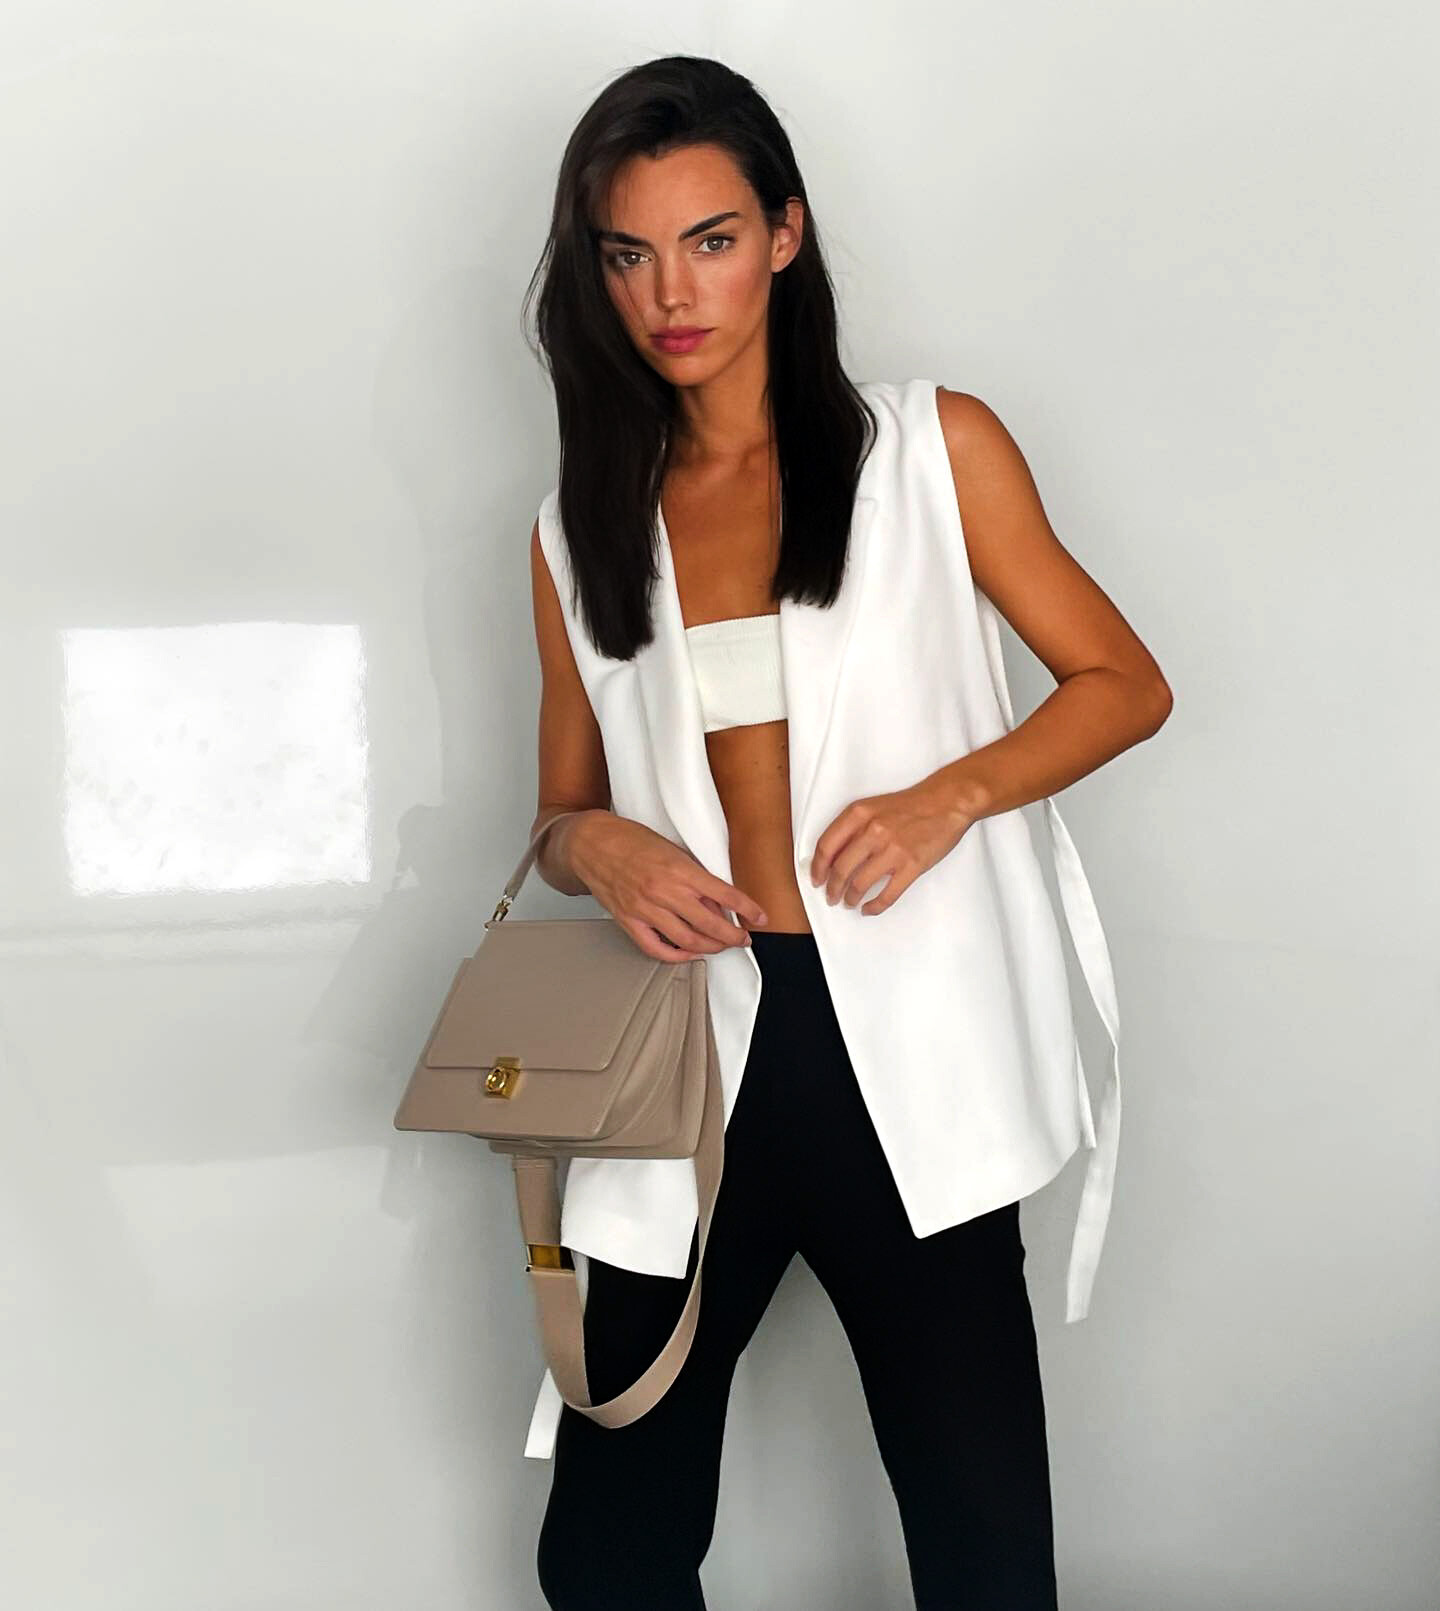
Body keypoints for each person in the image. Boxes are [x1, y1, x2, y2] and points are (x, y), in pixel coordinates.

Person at [518, 54, 1171, 1611]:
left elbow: (1124, 684)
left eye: (711, 239)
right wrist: (598, 851)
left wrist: (952, 794)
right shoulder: (577, 523)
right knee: (607, 1549)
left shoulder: (933, 451)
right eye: (628, 253)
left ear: (785, 234)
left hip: (906, 1049)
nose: (670, 292)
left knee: (981, 1545)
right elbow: (560, 813)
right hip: (690, 1059)